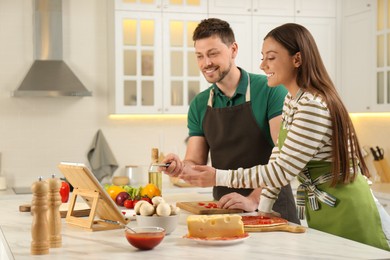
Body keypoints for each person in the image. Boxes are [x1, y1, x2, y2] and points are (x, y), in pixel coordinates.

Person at [177, 23, 390, 251]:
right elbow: (277, 161)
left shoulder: (311, 106)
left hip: (350, 210)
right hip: (323, 206)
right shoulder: (292, 102)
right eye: (263, 57)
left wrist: (219, 177)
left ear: (296, 59)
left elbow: (281, 171)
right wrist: (264, 213)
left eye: (271, 58)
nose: (262, 65)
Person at [162, 18, 300, 224]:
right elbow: (195, 162)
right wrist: (179, 167)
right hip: (222, 212)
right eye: (199, 56)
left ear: (233, 50)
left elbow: (285, 160)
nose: (205, 63)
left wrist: (253, 200)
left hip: (271, 209)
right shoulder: (200, 103)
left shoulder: (270, 90)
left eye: (213, 53)